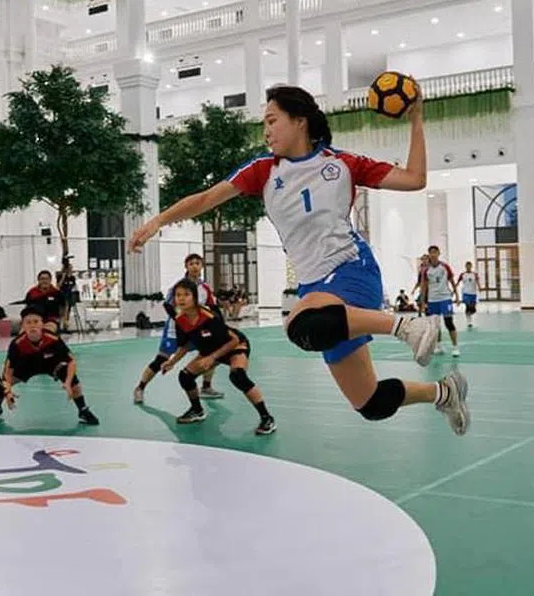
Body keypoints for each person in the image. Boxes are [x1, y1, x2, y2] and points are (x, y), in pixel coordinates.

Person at [128, 83, 470, 436]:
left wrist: (416, 119)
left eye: (272, 120)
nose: (266, 130)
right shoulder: (263, 170)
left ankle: (408, 327)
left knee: (300, 323)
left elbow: (414, 179)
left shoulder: (343, 163)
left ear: (299, 121)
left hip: (351, 269)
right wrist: (157, 221)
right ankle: (444, 392)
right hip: (316, 290)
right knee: (369, 402)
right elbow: (205, 199)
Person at [159, 279, 276, 435]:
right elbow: (185, 345)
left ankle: (267, 418)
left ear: (194, 297)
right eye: (178, 295)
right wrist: (172, 362)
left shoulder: (208, 316)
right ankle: (197, 410)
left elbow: (234, 340)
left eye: (186, 295)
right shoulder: (180, 320)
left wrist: (212, 358)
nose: (181, 298)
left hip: (234, 346)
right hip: (210, 349)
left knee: (238, 376)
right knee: (185, 377)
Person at [0, 305, 99, 426]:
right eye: (28, 322)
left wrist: (67, 382)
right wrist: (8, 391)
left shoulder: (53, 339)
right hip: (26, 366)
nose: (32, 325)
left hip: (50, 364)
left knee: (71, 377)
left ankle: (83, 410)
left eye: (36, 321)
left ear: (42, 324)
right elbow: (8, 370)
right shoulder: (17, 344)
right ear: (23, 326)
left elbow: (71, 361)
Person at [133, 252, 224, 404]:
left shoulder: (205, 288)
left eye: (197, 263)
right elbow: (168, 305)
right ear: (186, 266)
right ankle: (140, 388)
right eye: (191, 263)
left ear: (202, 266)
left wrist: (220, 324)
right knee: (161, 360)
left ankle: (206, 387)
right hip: (175, 331)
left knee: (210, 352)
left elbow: (213, 307)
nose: (194, 266)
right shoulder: (178, 286)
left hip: (197, 330)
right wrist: (181, 320)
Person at [417, 246, 460, 356]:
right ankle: (439, 346)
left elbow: (452, 281)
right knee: (435, 325)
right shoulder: (426, 270)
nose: (433, 254)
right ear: (429, 254)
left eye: (435, 252)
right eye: (431, 252)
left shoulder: (445, 267)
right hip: (432, 300)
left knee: (448, 322)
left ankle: (455, 347)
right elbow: (423, 286)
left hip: (445, 298)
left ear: (439, 253)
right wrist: (422, 302)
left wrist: (457, 296)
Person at [456, 261, 480, 329]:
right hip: (465, 293)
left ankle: (471, 313)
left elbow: (477, 281)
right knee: (467, 306)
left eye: (469, 266)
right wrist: (454, 288)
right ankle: (469, 322)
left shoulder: (474, 274)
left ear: (471, 266)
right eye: (467, 266)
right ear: (465, 267)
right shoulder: (462, 274)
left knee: (473, 309)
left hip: (473, 293)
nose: (468, 267)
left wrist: (480, 287)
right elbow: (458, 282)